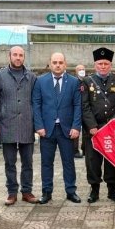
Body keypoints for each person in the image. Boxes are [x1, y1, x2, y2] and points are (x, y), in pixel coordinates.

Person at [0, 46, 39, 206]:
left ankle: (27, 191)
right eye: (15, 55)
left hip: (26, 124)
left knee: (28, 162)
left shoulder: (31, 77)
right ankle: (12, 192)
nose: (18, 58)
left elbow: (35, 102)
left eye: (21, 55)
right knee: (9, 162)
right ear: (9, 56)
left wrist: (36, 124)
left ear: (24, 57)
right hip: (7, 124)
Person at [32, 52, 82, 204]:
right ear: (50, 63)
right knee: (46, 162)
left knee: (69, 162)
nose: (58, 65)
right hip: (47, 129)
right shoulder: (40, 81)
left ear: (65, 64)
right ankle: (47, 192)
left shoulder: (73, 82)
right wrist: (39, 126)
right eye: (55, 62)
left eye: (60, 62)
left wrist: (76, 126)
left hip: (67, 129)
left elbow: (77, 105)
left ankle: (71, 191)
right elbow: (36, 104)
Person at [80, 47, 115, 203]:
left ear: (110, 65)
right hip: (92, 130)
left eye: (106, 63)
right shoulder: (87, 81)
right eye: (100, 63)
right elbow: (84, 105)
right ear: (95, 65)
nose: (103, 66)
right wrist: (91, 126)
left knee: (111, 161)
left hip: (112, 128)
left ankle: (112, 190)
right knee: (92, 161)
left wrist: (114, 121)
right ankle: (94, 190)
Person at [73, 64, 86, 159]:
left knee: (87, 130)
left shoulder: (88, 81)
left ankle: (85, 149)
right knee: (76, 129)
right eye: (79, 69)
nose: (82, 71)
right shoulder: (73, 82)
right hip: (76, 109)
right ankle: (74, 150)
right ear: (76, 71)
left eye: (83, 69)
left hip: (86, 109)